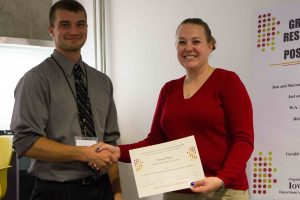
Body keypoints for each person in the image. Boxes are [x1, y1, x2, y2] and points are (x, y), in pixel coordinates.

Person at [117, 18, 254, 200]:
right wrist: (118, 152)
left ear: (210, 45)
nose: (188, 48)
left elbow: (243, 140)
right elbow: (156, 141)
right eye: (182, 42)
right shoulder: (168, 89)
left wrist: (222, 179)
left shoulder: (228, 82)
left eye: (196, 41)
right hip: (177, 191)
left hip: (223, 191)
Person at [11, 1, 122, 200]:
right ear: (51, 30)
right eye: (65, 24)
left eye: (80, 24)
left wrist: (117, 192)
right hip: (56, 191)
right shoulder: (35, 80)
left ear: (87, 28)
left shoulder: (103, 82)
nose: (74, 30)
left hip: (101, 189)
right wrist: (84, 153)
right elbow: (26, 142)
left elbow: (110, 142)